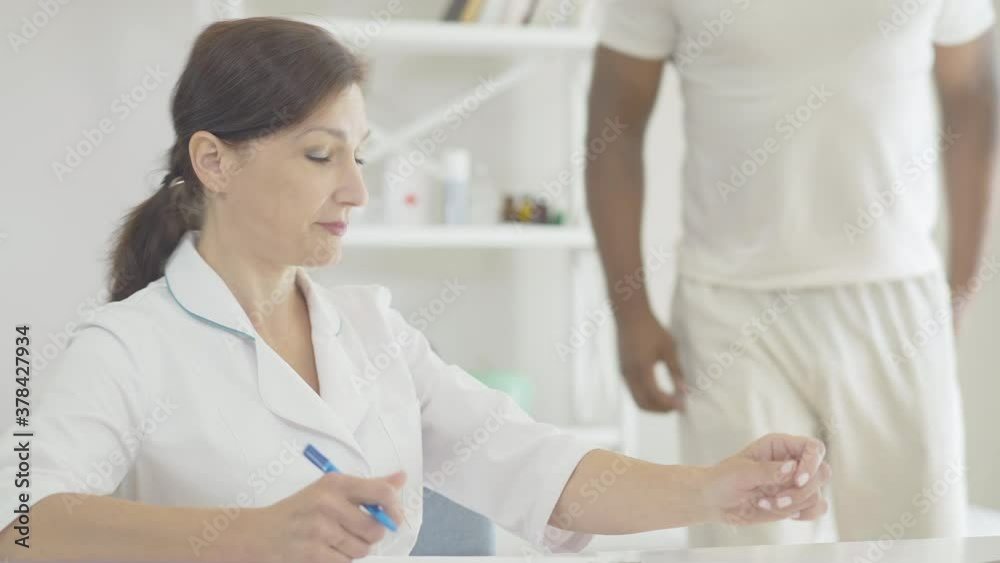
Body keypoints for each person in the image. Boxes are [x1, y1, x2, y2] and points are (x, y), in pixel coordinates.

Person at [0, 17, 831, 561]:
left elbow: (537, 465)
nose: (356, 190)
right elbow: (21, 528)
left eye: (360, 155)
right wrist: (249, 534)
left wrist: (713, 487)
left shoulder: (373, 331)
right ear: (215, 161)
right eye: (320, 155)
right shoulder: (125, 347)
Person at [587, 0, 997, 549]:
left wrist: (963, 287)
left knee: (918, 549)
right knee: (744, 549)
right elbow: (616, 117)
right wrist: (631, 314)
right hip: (728, 310)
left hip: (895, 298)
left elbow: (971, 94)